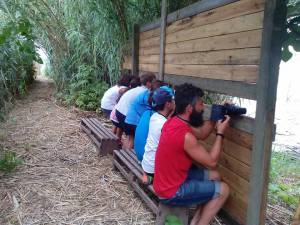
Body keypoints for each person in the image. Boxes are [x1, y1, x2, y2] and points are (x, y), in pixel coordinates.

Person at [153, 83, 230, 225]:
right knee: (224, 190)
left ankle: (194, 221)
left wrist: (216, 116)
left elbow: (201, 133)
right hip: (171, 191)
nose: (203, 108)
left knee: (215, 176)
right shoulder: (185, 135)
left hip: (166, 181)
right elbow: (212, 161)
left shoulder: (173, 121)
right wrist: (220, 133)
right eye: (201, 104)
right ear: (189, 108)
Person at [141, 86, 175, 184]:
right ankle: (152, 179)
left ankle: (147, 176)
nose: (174, 102)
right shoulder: (164, 124)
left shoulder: (154, 117)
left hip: (146, 164)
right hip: (154, 169)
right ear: (168, 104)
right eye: (172, 100)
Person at [115, 72, 156, 149]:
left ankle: (123, 156)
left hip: (119, 111)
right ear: (148, 83)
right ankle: (128, 158)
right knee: (132, 139)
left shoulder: (136, 89)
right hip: (126, 115)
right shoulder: (145, 92)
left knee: (129, 137)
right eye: (153, 82)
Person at [124, 80, 164, 150]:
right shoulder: (149, 98)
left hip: (128, 119)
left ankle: (122, 155)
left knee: (129, 139)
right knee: (132, 141)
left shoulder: (145, 93)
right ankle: (126, 158)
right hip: (135, 121)